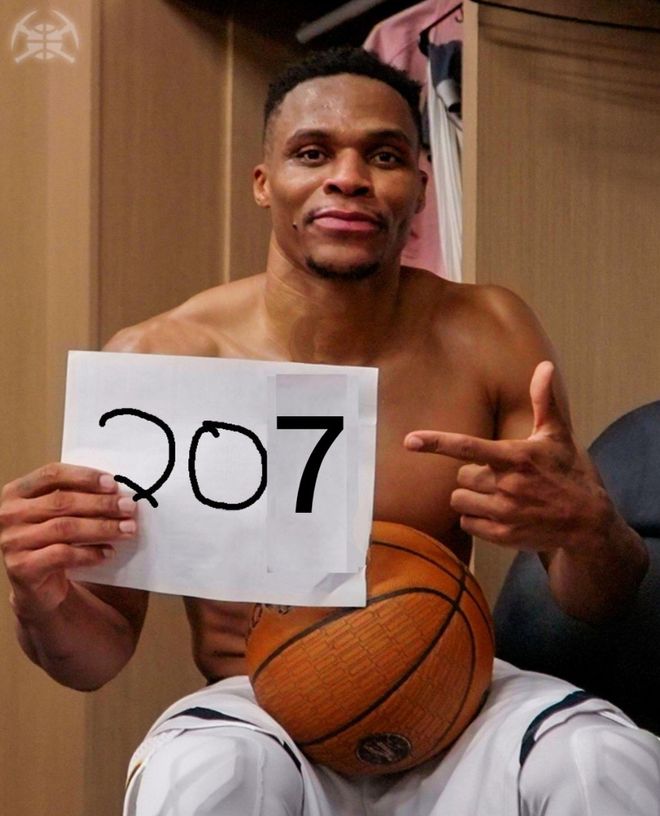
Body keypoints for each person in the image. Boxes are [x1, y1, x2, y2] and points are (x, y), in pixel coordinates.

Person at [1, 47, 659, 816]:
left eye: (384, 155)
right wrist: (38, 592)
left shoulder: (489, 330)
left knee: (604, 757)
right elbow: (96, 656)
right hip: (264, 716)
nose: (349, 177)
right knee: (202, 776)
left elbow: (599, 601)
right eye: (313, 153)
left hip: (456, 700)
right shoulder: (162, 358)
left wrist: (590, 529)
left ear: (420, 185)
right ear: (264, 181)